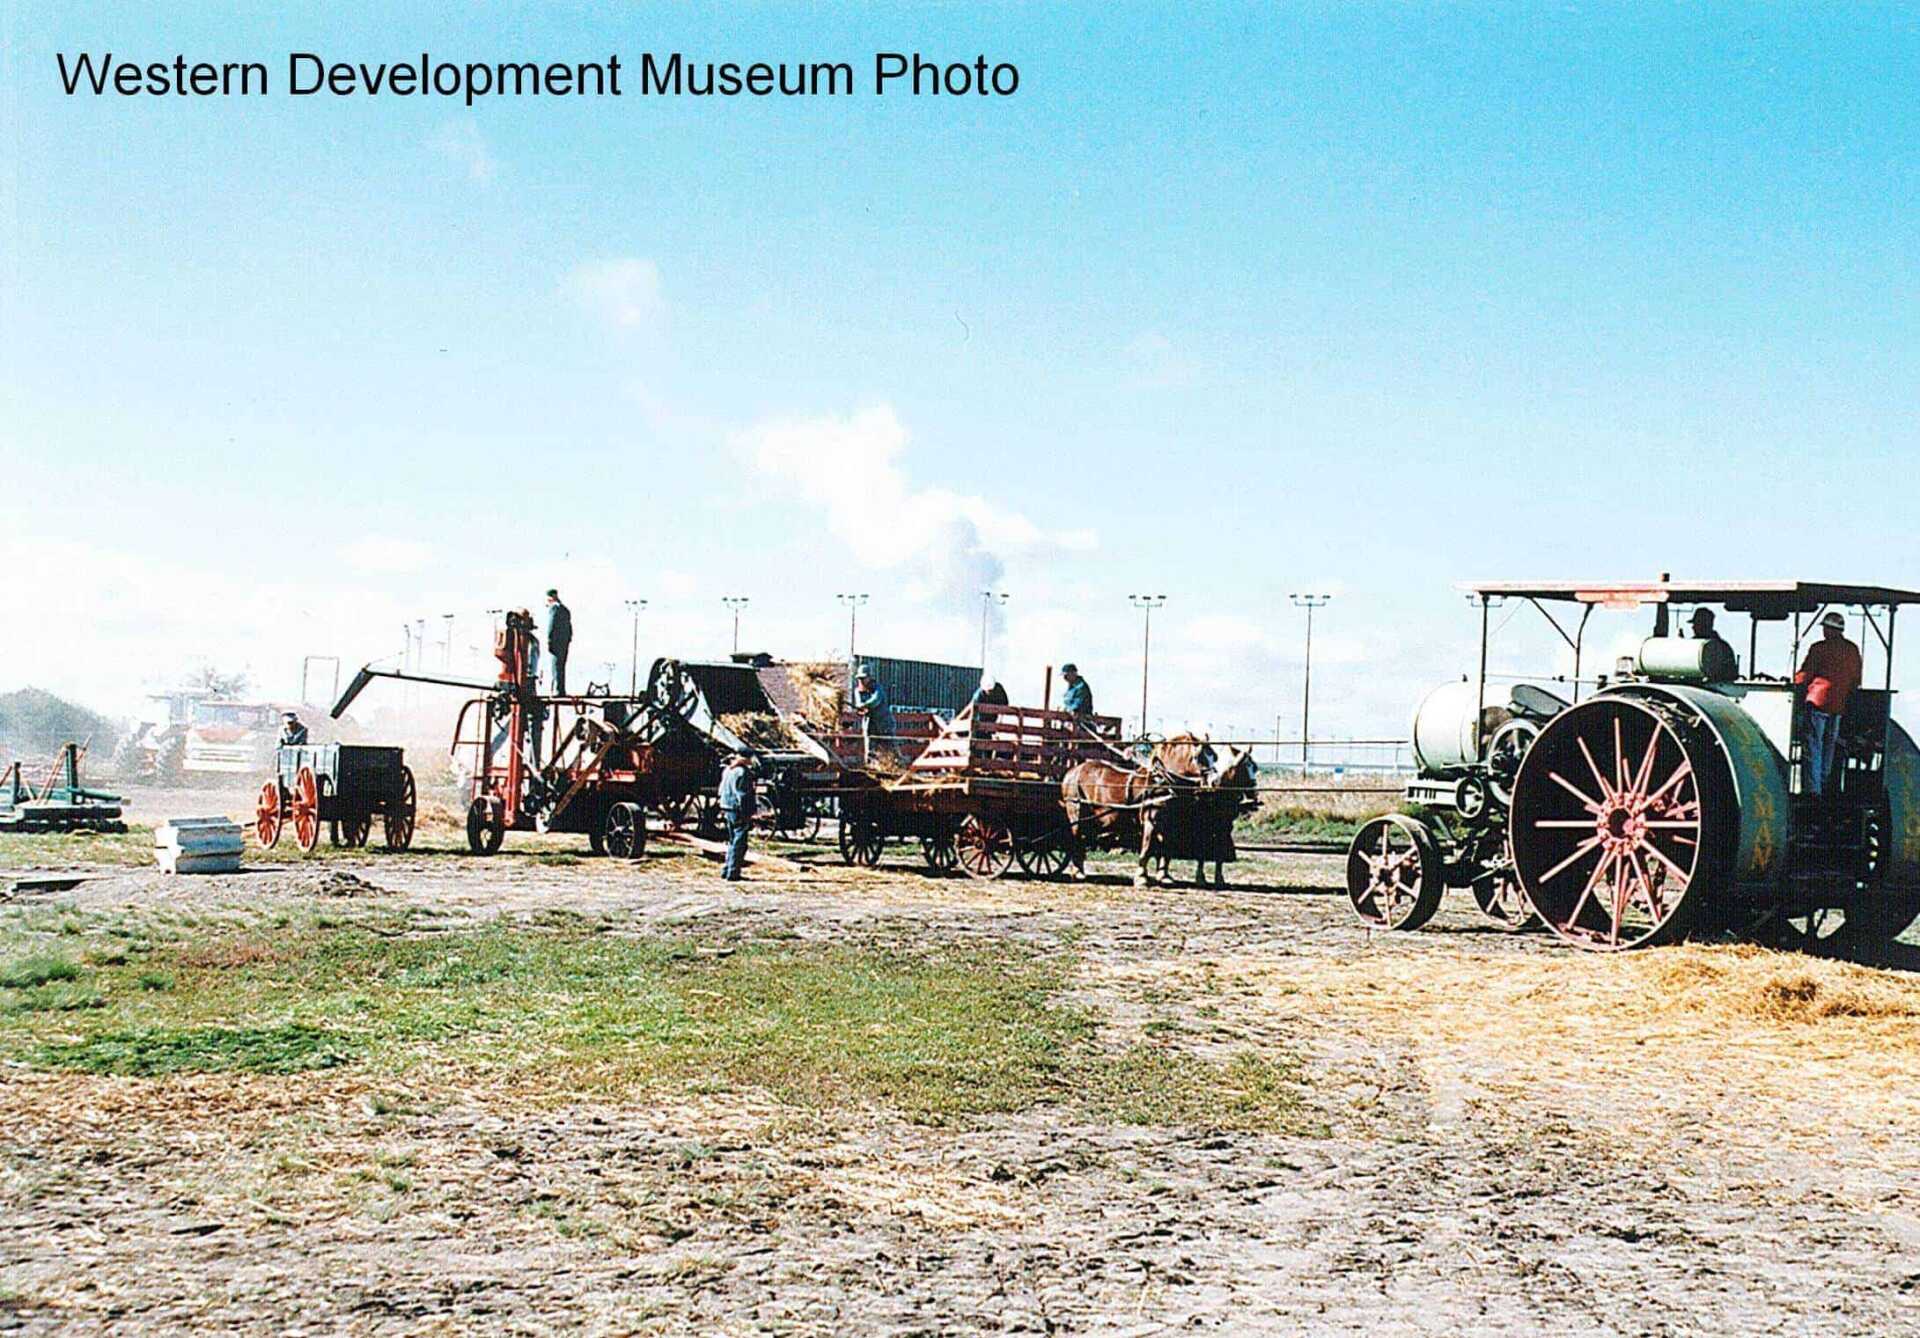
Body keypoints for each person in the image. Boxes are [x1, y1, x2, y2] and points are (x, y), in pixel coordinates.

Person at [1795, 611, 1863, 799]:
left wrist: (1794, 681)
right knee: (1829, 747)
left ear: (1829, 629)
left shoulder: (1819, 648)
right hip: (1839, 705)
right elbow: (1856, 679)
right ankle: (1824, 785)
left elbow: (1806, 674)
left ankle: (1812, 790)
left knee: (1812, 746)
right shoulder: (1852, 650)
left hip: (1818, 701)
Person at [718, 753, 756, 880]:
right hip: (737, 809)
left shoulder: (728, 770)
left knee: (732, 840)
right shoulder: (742, 772)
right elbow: (743, 795)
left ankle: (726, 870)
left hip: (727, 806)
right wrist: (749, 812)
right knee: (740, 842)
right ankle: (733, 873)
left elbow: (721, 790)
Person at [853, 666, 895, 760]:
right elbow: (858, 704)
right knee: (870, 750)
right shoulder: (858, 691)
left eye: (864, 678)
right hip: (870, 724)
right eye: (860, 679)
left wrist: (864, 706)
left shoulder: (877, 688)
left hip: (884, 724)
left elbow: (875, 700)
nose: (862, 681)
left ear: (870, 677)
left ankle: (893, 765)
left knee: (889, 748)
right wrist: (860, 709)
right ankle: (871, 768)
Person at [1688, 608, 1737, 682]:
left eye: (1696, 624)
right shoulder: (1691, 646)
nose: (1693, 627)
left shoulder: (1722, 649)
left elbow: (1729, 674)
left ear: (1705, 625)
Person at [544, 589, 573, 696]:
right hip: (564, 643)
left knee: (555, 666)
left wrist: (549, 641)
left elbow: (551, 626)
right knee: (561, 667)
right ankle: (561, 689)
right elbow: (569, 628)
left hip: (556, 643)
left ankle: (557, 690)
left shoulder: (554, 609)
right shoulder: (565, 610)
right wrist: (568, 640)